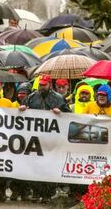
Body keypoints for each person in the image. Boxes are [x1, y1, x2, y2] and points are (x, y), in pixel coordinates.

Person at [20, 74, 70, 203]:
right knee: (35, 166)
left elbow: (70, 116)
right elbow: (20, 113)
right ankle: (36, 192)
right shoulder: (31, 97)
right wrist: (22, 110)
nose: (41, 87)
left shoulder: (58, 99)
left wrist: (61, 113)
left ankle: (48, 194)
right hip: (35, 139)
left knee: (49, 166)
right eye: (40, 85)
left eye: (44, 85)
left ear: (50, 85)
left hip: (52, 139)